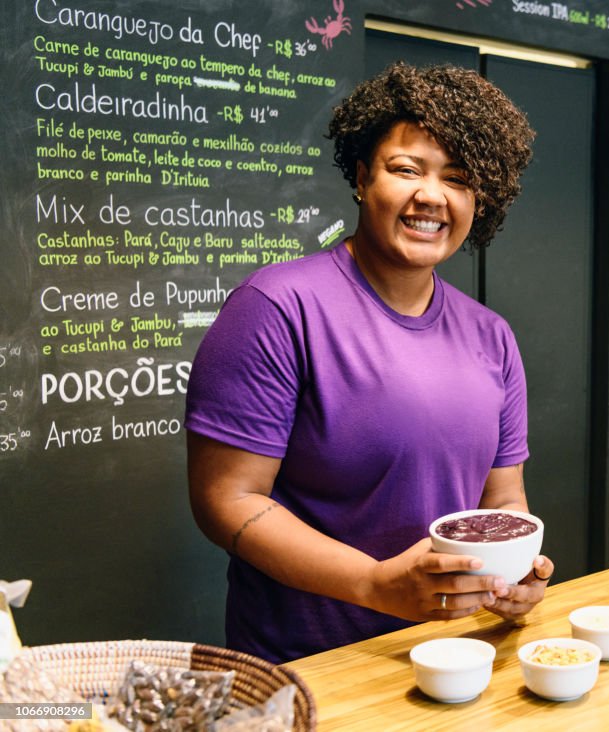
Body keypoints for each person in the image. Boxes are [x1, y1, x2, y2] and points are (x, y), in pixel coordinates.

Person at [184, 62, 552, 664]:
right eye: (406, 169)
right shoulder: (277, 308)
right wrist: (374, 585)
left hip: (454, 657)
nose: (430, 195)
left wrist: (512, 576)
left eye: (457, 179)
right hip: (311, 667)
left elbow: (505, 502)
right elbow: (228, 500)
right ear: (361, 177)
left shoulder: (492, 337)